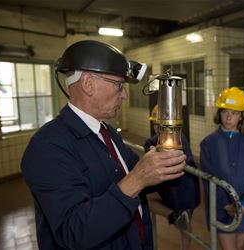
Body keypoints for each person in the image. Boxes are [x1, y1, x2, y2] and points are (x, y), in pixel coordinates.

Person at [20, 40, 187, 250]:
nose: (124, 95)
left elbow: (135, 179)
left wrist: (159, 165)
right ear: (88, 83)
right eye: (119, 85)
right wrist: (138, 177)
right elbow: (73, 232)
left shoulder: (107, 134)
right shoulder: (47, 147)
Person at [200, 87, 244, 250]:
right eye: (225, 112)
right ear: (219, 113)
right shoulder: (208, 144)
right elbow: (209, 180)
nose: (229, 117)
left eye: (234, 113)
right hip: (223, 209)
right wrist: (228, 205)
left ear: (241, 117)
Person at [144, 104, 200, 250]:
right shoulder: (151, 142)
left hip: (185, 190)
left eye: (162, 125)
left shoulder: (178, 138)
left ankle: (182, 239)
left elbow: (180, 161)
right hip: (172, 189)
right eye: (156, 124)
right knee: (147, 200)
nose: (158, 128)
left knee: (185, 224)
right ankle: (173, 216)